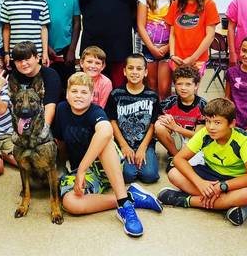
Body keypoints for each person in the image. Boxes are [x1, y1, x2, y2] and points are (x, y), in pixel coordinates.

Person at [53, 71, 162, 238]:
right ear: (67, 94)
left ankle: (124, 205)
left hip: (106, 167)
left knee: (104, 137)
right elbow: (60, 143)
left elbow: (105, 130)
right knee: (70, 203)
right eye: (74, 91)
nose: (78, 96)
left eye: (84, 92)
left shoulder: (95, 111)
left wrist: (82, 169)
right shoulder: (61, 109)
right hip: (86, 174)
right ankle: (129, 198)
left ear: (92, 96)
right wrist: (63, 171)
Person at [158, 98, 247, 226]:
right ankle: (228, 204)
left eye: (217, 122)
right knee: (173, 173)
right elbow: (179, 159)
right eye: (207, 121)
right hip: (209, 173)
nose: (211, 127)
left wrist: (222, 186)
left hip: (235, 180)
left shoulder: (244, 142)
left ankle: (187, 200)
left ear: (231, 124)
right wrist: (200, 182)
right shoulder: (204, 133)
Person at [105, 54, 160, 184]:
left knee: (149, 176)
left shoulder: (152, 96)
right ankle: (130, 163)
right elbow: (112, 121)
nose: (135, 72)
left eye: (139, 69)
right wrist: (123, 146)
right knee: (127, 176)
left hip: (144, 144)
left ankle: (150, 156)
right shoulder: (116, 94)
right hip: (123, 143)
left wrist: (142, 148)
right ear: (124, 71)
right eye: (131, 68)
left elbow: (152, 124)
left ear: (145, 72)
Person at [35, 0, 80, 93]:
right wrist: (46, 47)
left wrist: (72, 50)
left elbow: (77, 23)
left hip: (66, 52)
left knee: (67, 88)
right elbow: (35, 22)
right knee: (47, 89)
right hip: (45, 52)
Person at [165, 0, 220, 75]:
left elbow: (210, 36)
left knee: (192, 90)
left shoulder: (209, 5)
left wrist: (193, 58)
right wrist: (172, 55)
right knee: (180, 90)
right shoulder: (175, 5)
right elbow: (172, 34)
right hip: (177, 59)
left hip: (198, 59)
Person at [137, 0, 177, 99]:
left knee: (164, 87)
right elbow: (141, 25)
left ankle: (164, 116)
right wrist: (152, 47)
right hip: (149, 47)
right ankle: (154, 116)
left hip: (168, 48)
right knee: (151, 84)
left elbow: (178, 27)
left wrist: (167, 47)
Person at [155, 66, 206, 171]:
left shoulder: (203, 105)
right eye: (179, 84)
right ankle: (176, 156)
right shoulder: (169, 103)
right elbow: (158, 122)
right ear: (175, 85)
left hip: (194, 142)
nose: (183, 88)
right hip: (177, 140)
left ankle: (184, 159)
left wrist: (176, 128)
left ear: (196, 86)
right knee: (158, 126)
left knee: (197, 167)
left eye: (188, 84)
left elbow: (198, 136)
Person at [0, 0, 50, 68]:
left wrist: (45, 53)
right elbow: (6, 28)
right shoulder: (8, 3)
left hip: (36, 54)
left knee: (37, 81)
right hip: (16, 53)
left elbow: (43, 28)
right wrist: (6, 53)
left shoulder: (41, 2)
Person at [10, 41, 61, 134]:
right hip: (25, 119)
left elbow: (50, 106)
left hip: (47, 120)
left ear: (37, 58)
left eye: (27, 59)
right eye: (19, 61)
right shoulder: (15, 75)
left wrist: (43, 131)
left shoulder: (50, 75)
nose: (23, 64)